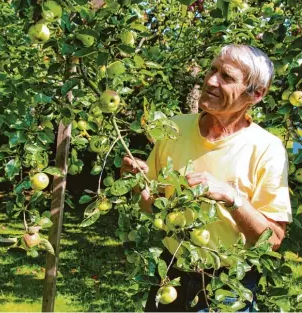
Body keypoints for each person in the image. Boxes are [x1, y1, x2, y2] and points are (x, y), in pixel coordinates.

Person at [121, 44, 292, 312]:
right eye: (212, 69)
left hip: (227, 285)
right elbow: (153, 206)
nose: (211, 81)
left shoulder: (266, 149)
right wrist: (134, 181)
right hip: (171, 275)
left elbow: (272, 239)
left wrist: (232, 197)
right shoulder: (174, 129)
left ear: (256, 95)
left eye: (227, 77)